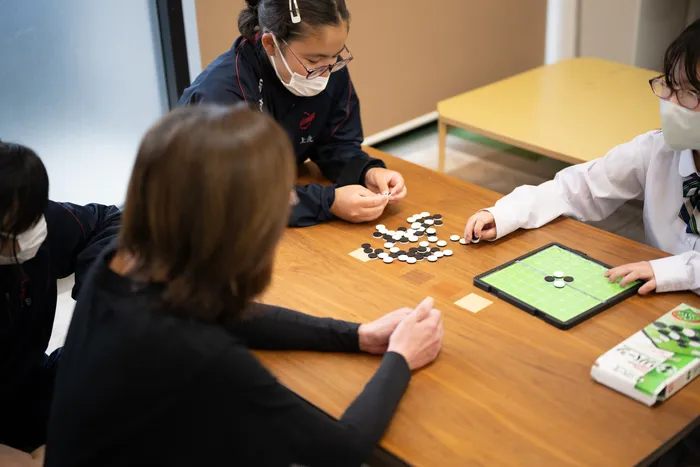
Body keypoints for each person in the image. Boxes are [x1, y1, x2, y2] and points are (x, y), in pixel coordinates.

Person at [45, 105, 443, 467]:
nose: (290, 200)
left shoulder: (120, 262)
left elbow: (225, 315)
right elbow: (340, 451)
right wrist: (401, 358)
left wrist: (356, 335)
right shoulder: (203, 357)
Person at [464, 19, 700, 298]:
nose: (670, 103)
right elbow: (578, 187)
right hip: (659, 302)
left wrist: (670, 271)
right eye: (669, 85)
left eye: (688, 93)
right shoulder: (656, 149)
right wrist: (505, 214)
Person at [180, 0, 407, 228]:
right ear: (270, 44)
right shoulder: (222, 96)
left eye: (336, 56)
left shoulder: (327, 67)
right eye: (314, 61)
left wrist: (366, 171)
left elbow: (337, 143)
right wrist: (328, 202)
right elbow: (239, 195)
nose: (326, 71)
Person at [0, 141, 121, 453]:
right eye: (15, 231)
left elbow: (110, 221)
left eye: (34, 218)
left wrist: (104, 293)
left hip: (31, 384)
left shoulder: (34, 220)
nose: (33, 234)